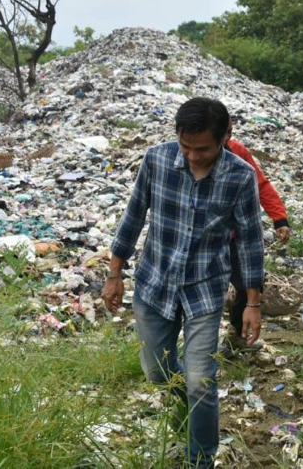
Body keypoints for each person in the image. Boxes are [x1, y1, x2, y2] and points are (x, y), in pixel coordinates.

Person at [103, 97, 266, 468]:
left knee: (200, 381)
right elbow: (133, 215)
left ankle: (200, 458)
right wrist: (115, 274)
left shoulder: (240, 176)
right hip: (154, 283)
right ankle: (190, 420)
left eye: (203, 149)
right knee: (159, 374)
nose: (193, 156)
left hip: (204, 289)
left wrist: (253, 303)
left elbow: (252, 241)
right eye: (185, 146)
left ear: (227, 136)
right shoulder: (157, 160)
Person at [224, 119, 290, 351]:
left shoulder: (237, 152)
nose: (225, 138)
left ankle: (236, 334)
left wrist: (279, 218)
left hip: (234, 235)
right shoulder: (190, 154)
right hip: (203, 239)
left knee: (248, 283)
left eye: (229, 133)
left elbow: (259, 184)